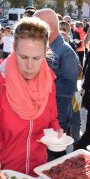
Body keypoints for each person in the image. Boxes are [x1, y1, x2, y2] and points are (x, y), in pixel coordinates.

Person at [0, 17, 62, 177]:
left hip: (38, 173)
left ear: (45, 52)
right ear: (14, 49)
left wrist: (56, 131)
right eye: (23, 57)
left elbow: (52, 119)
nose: (30, 66)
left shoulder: (48, 81)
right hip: (2, 176)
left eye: (37, 58)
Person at [34, 9, 79, 160]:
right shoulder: (44, 47)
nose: (32, 30)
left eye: (36, 26)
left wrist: (39, 84)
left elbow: (69, 88)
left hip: (57, 117)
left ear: (50, 27)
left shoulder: (66, 52)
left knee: (54, 159)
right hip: (42, 115)